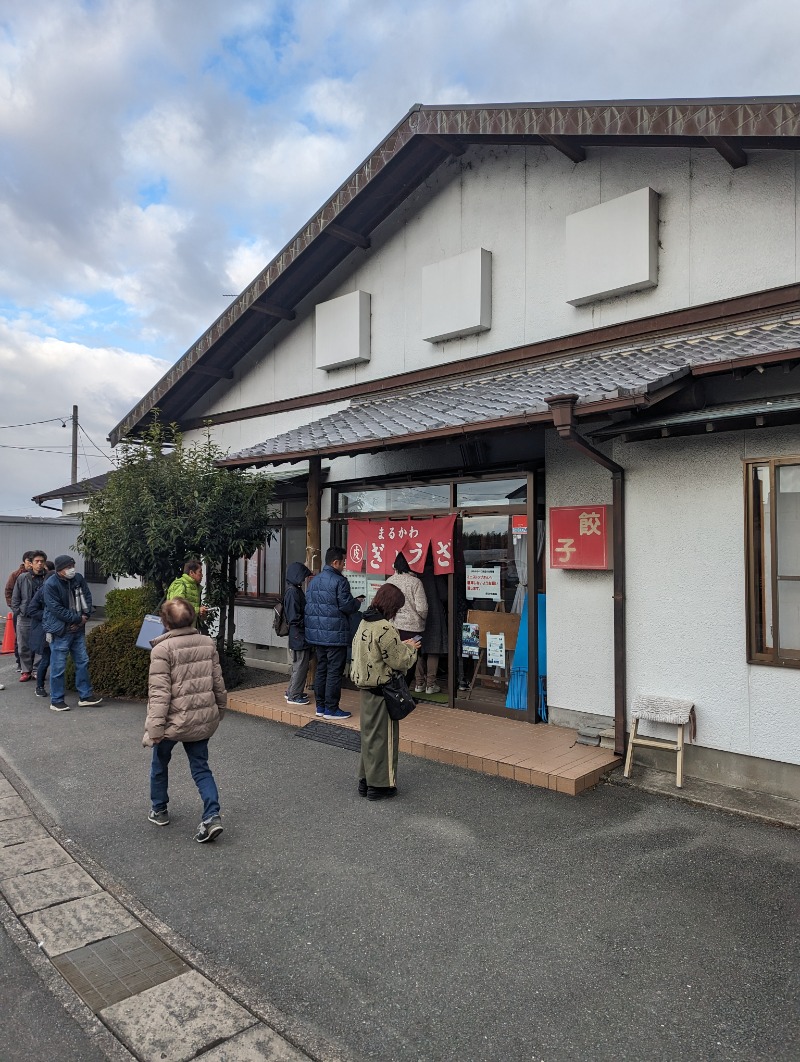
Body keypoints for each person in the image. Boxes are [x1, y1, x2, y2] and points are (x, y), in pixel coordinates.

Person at [144, 597, 227, 843]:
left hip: (171, 722)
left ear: (165, 622)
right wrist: (219, 710)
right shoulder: (206, 643)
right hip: (201, 718)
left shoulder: (161, 650)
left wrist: (154, 729)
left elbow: (160, 694)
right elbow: (218, 682)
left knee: (160, 764)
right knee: (201, 768)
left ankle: (159, 809)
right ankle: (212, 815)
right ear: (192, 617)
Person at [350, 583, 420, 800]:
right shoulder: (385, 628)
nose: (396, 612)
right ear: (391, 606)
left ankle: (365, 781)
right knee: (384, 739)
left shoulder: (364, 622)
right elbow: (399, 660)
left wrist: (401, 645)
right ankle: (380, 786)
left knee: (369, 737)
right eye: (397, 608)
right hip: (383, 691)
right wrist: (410, 648)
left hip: (365, 688)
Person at [304, 546, 364, 720]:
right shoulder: (340, 581)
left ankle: (321, 706)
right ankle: (331, 708)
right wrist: (357, 602)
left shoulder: (314, 581)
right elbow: (346, 606)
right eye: (343, 562)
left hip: (317, 635)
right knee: (334, 671)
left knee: (322, 669)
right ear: (335, 562)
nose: (344, 565)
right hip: (335, 634)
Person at [42, 555, 103, 713]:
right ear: (59, 570)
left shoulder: (78, 579)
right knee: (58, 666)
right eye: (68, 567)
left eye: (72, 566)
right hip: (61, 630)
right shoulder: (50, 584)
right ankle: (56, 700)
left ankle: (85, 696)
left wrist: (86, 615)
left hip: (78, 629)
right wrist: (77, 618)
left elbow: (87, 597)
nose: (71, 569)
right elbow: (56, 609)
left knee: (82, 661)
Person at [386, 552, 428, 688]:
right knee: (410, 662)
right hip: (412, 629)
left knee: (395, 661)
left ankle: (396, 693)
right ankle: (404, 694)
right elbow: (422, 608)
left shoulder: (390, 581)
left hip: (393, 627)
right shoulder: (415, 582)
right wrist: (422, 618)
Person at [11, 550, 47, 681]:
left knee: (40, 644)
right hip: (24, 616)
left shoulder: (48, 578)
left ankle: (36, 670)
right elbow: (15, 596)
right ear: (30, 564)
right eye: (36, 561)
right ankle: (25, 670)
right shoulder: (22, 577)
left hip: (41, 616)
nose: (39, 564)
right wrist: (18, 611)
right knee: (23, 645)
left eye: (41, 561)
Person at [283, 561, 313, 705]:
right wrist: (307, 622)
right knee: (301, 664)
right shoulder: (293, 592)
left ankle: (292, 691)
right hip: (298, 634)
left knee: (298, 664)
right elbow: (294, 617)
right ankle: (294, 695)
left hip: (296, 634)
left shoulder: (292, 589)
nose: (303, 579)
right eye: (302, 576)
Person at [27, 562, 55, 698]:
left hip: (58, 630)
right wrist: (47, 615)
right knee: (46, 659)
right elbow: (31, 609)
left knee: (56, 659)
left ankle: (56, 686)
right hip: (44, 632)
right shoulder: (42, 592)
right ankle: (39, 686)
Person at [5, 551, 34, 672]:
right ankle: (20, 663)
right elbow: (8, 592)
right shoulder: (16, 575)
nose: (31, 564)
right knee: (20, 639)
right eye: (29, 561)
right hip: (20, 613)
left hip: (34, 613)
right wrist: (16, 609)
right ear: (24, 562)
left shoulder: (39, 575)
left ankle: (32, 665)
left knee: (33, 637)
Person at [166, 560, 208, 627]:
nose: (202, 575)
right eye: (200, 572)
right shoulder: (180, 584)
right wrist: (197, 610)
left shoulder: (195, 588)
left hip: (189, 629)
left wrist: (202, 614)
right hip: (179, 630)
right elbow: (177, 608)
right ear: (191, 572)